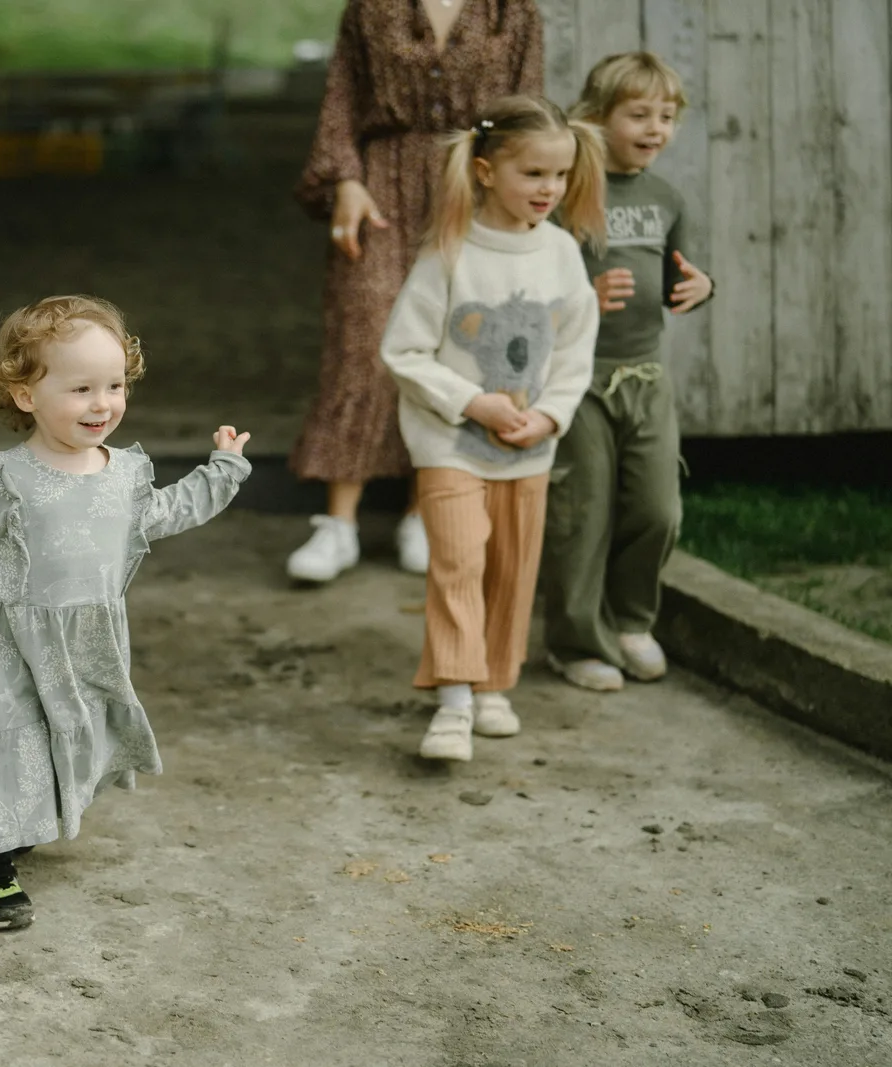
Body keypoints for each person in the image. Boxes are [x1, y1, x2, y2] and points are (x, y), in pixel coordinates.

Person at [0, 295, 251, 930]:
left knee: (60, 742)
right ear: (24, 395)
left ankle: (23, 825)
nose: (103, 403)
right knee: (0, 749)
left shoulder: (124, 475)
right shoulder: (3, 476)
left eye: (116, 384)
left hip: (84, 642)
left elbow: (163, 513)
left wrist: (222, 471)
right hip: (1, 642)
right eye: (82, 388)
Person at [379, 96, 605, 762]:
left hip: (529, 448)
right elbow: (403, 352)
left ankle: (494, 686)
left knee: (511, 569)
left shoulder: (562, 254)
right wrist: (473, 402)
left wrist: (550, 414)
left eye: (560, 176)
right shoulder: (449, 253)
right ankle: (453, 701)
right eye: (533, 174)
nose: (549, 190)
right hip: (449, 444)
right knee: (458, 561)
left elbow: (574, 350)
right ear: (484, 171)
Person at [288, 0, 545, 583]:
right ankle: (338, 526)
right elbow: (341, 98)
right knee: (364, 343)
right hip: (380, 186)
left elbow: (527, 111)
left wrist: (514, 195)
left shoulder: (516, 13)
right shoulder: (371, 8)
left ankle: (421, 510)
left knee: (453, 344)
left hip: (471, 188)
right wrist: (346, 181)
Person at [542, 53, 714, 692]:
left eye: (666, 116)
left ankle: (633, 621)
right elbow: (534, 281)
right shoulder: (568, 192)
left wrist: (704, 285)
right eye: (638, 114)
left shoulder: (667, 198)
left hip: (646, 376)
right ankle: (574, 641)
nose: (656, 128)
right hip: (577, 380)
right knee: (580, 514)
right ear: (595, 117)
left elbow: (678, 278)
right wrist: (585, 290)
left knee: (657, 509)